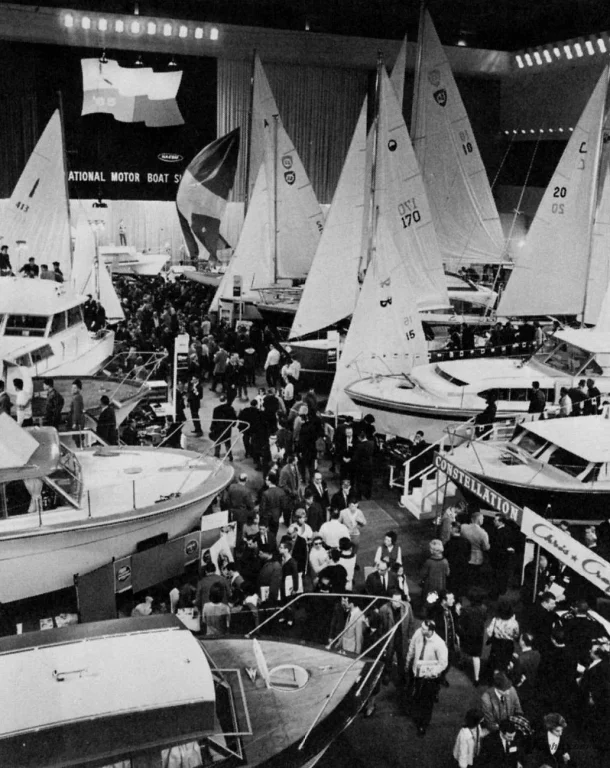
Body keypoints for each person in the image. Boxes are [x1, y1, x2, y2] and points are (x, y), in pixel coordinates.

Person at [406, 619, 448, 736]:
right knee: (416, 696)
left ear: (430, 631)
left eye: (424, 629)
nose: (421, 630)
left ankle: (423, 725)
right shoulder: (418, 633)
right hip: (416, 672)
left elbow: (443, 663)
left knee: (427, 701)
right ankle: (416, 714)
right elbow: (412, 648)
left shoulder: (439, 643)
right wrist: (408, 661)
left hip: (429, 678)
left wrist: (433, 672)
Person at [380, 590, 414, 686]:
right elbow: (381, 627)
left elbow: (411, 622)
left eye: (400, 600)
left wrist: (410, 637)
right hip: (390, 639)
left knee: (402, 658)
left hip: (402, 638)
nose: (398, 603)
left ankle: (401, 677)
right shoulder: (384, 609)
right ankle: (387, 674)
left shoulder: (407, 607)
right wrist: (383, 641)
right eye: (395, 600)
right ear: (391, 600)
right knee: (388, 658)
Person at [459, 588, 487, 686]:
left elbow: (462, 622)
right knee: (476, 657)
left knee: (463, 649)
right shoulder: (484, 609)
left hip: (467, 634)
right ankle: (476, 678)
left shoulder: (466, 610)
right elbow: (484, 619)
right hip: (479, 635)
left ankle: (462, 663)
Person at [486, 600, 520, 675]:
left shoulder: (495, 620)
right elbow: (516, 634)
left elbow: (489, 632)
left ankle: (493, 675)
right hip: (508, 645)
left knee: (495, 661)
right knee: (505, 661)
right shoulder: (514, 623)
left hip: (497, 643)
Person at [460, 511, 490, 588]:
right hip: (476, 558)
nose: (483, 520)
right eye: (482, 519)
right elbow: (485, 548)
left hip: (463, 555)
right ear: (479, 520)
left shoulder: (463, 527)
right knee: (474, 575)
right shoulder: (483, 533)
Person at [210, 394, 236, 460]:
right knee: (227, 442)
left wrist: (212, 428)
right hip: (227, 428)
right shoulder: (230, 408)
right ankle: (230, 456)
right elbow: (234, 419)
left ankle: (216, 454)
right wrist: (233, 424)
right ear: (226, 400)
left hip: (218, 428)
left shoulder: (216, 409)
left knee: (217, 441)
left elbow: (214, 420)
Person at [69, 379, 85, 446]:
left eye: (75, 388)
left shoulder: (76, 398)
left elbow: (76, 411)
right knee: (79, 439)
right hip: (80, 421)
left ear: (79, 389)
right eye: (72, 387)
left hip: (77, 423)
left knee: (78, 439)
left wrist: (74, 423)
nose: (72, 389)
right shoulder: (78, 396)